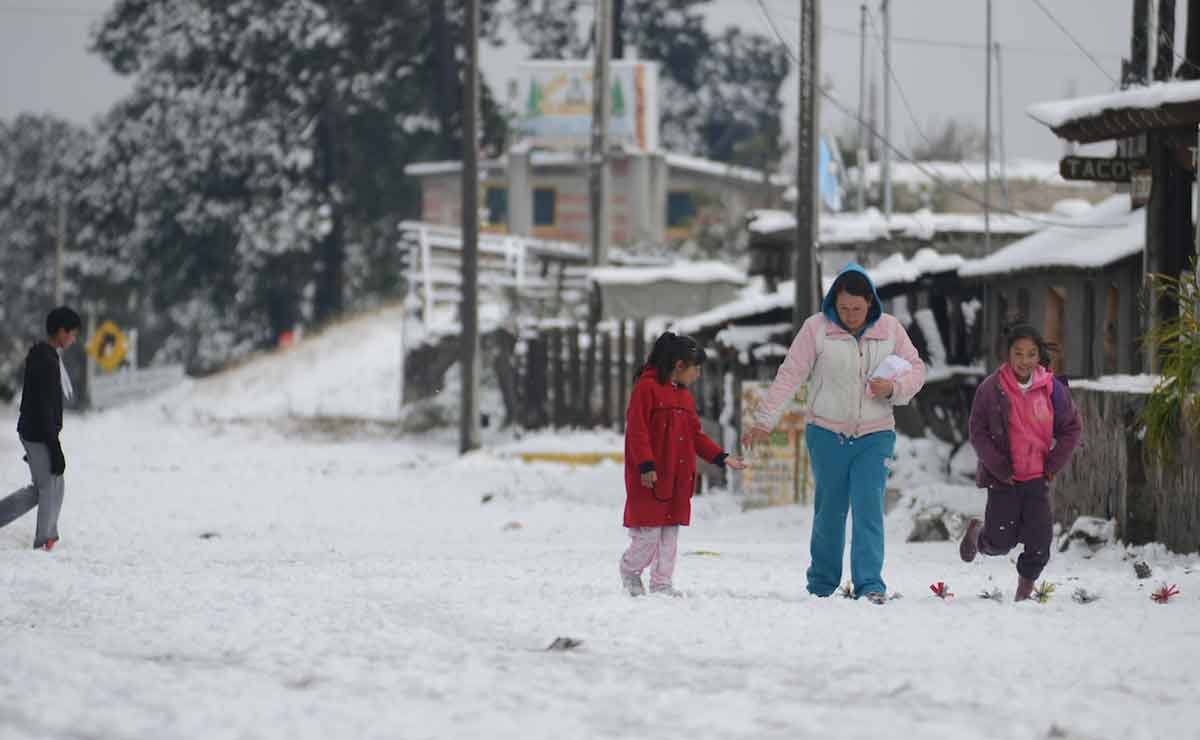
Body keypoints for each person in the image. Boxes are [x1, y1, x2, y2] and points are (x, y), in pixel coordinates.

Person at [742, 264, 926, 604]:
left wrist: (893, 389)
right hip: (826, 433)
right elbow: (789, 376)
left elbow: (917, 370)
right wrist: (763, 421)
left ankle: (870, 583)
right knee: (830, 511)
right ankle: (822, 583)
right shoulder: (817, 329)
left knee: (869, 508)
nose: (851, 315)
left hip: (875, 434)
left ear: (871, 303)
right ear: (833, 304)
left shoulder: (891, 330)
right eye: (844, 309)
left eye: (857, 309)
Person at [959, 324, 1082, 601]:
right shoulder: (991, 388)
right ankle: (977, 534)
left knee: (1039, 543)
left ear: (1039, 356)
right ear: (1007, 354)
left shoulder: (1052, 388)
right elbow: (977, 432)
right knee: (1001, 543)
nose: (1024, 361)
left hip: (1038, 478)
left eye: (1031, 354)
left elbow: (1072, 427)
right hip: (1004, 480)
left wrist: (1053, 464)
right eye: (1018, 353)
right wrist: (999, 468)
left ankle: (1023, 595)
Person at [621, 332, 746, 597]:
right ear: (679, 365)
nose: (698, 374)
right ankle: (630, 571)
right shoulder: (646, 389)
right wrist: (645, 465)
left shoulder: (685, 398)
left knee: (669, 536)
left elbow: (696, 436)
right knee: (648, 535)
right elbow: (637, 431)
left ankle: (662, 583)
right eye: (696, 368)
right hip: (651, 477)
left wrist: (721, 457)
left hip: (677, 478)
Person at [0, 306, 81, 550]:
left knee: (47, 485)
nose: (74, 339)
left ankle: (42, 532)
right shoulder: (45, 360)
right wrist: (53, 445)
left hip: (36, 431)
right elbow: (44, 406)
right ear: (60, 331)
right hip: (37, 432)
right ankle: (45, 538)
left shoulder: (47, 356)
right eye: (72, 333)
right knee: (49, 486)